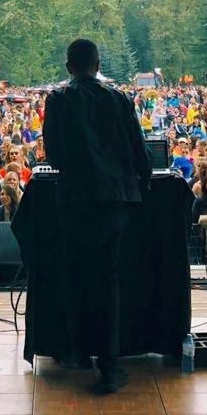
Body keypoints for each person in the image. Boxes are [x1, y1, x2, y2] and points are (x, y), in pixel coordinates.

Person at [42, 38, 151, 394]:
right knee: (108, 280)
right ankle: (109, 365)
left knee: (76, 276)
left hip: (74, 200)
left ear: (68, 67)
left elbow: (54, 153)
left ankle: (76, 353)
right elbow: (138, 149)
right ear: (98, 64)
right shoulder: (118, 98)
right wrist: (143, 181)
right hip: (113, 201)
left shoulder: (58, 100)